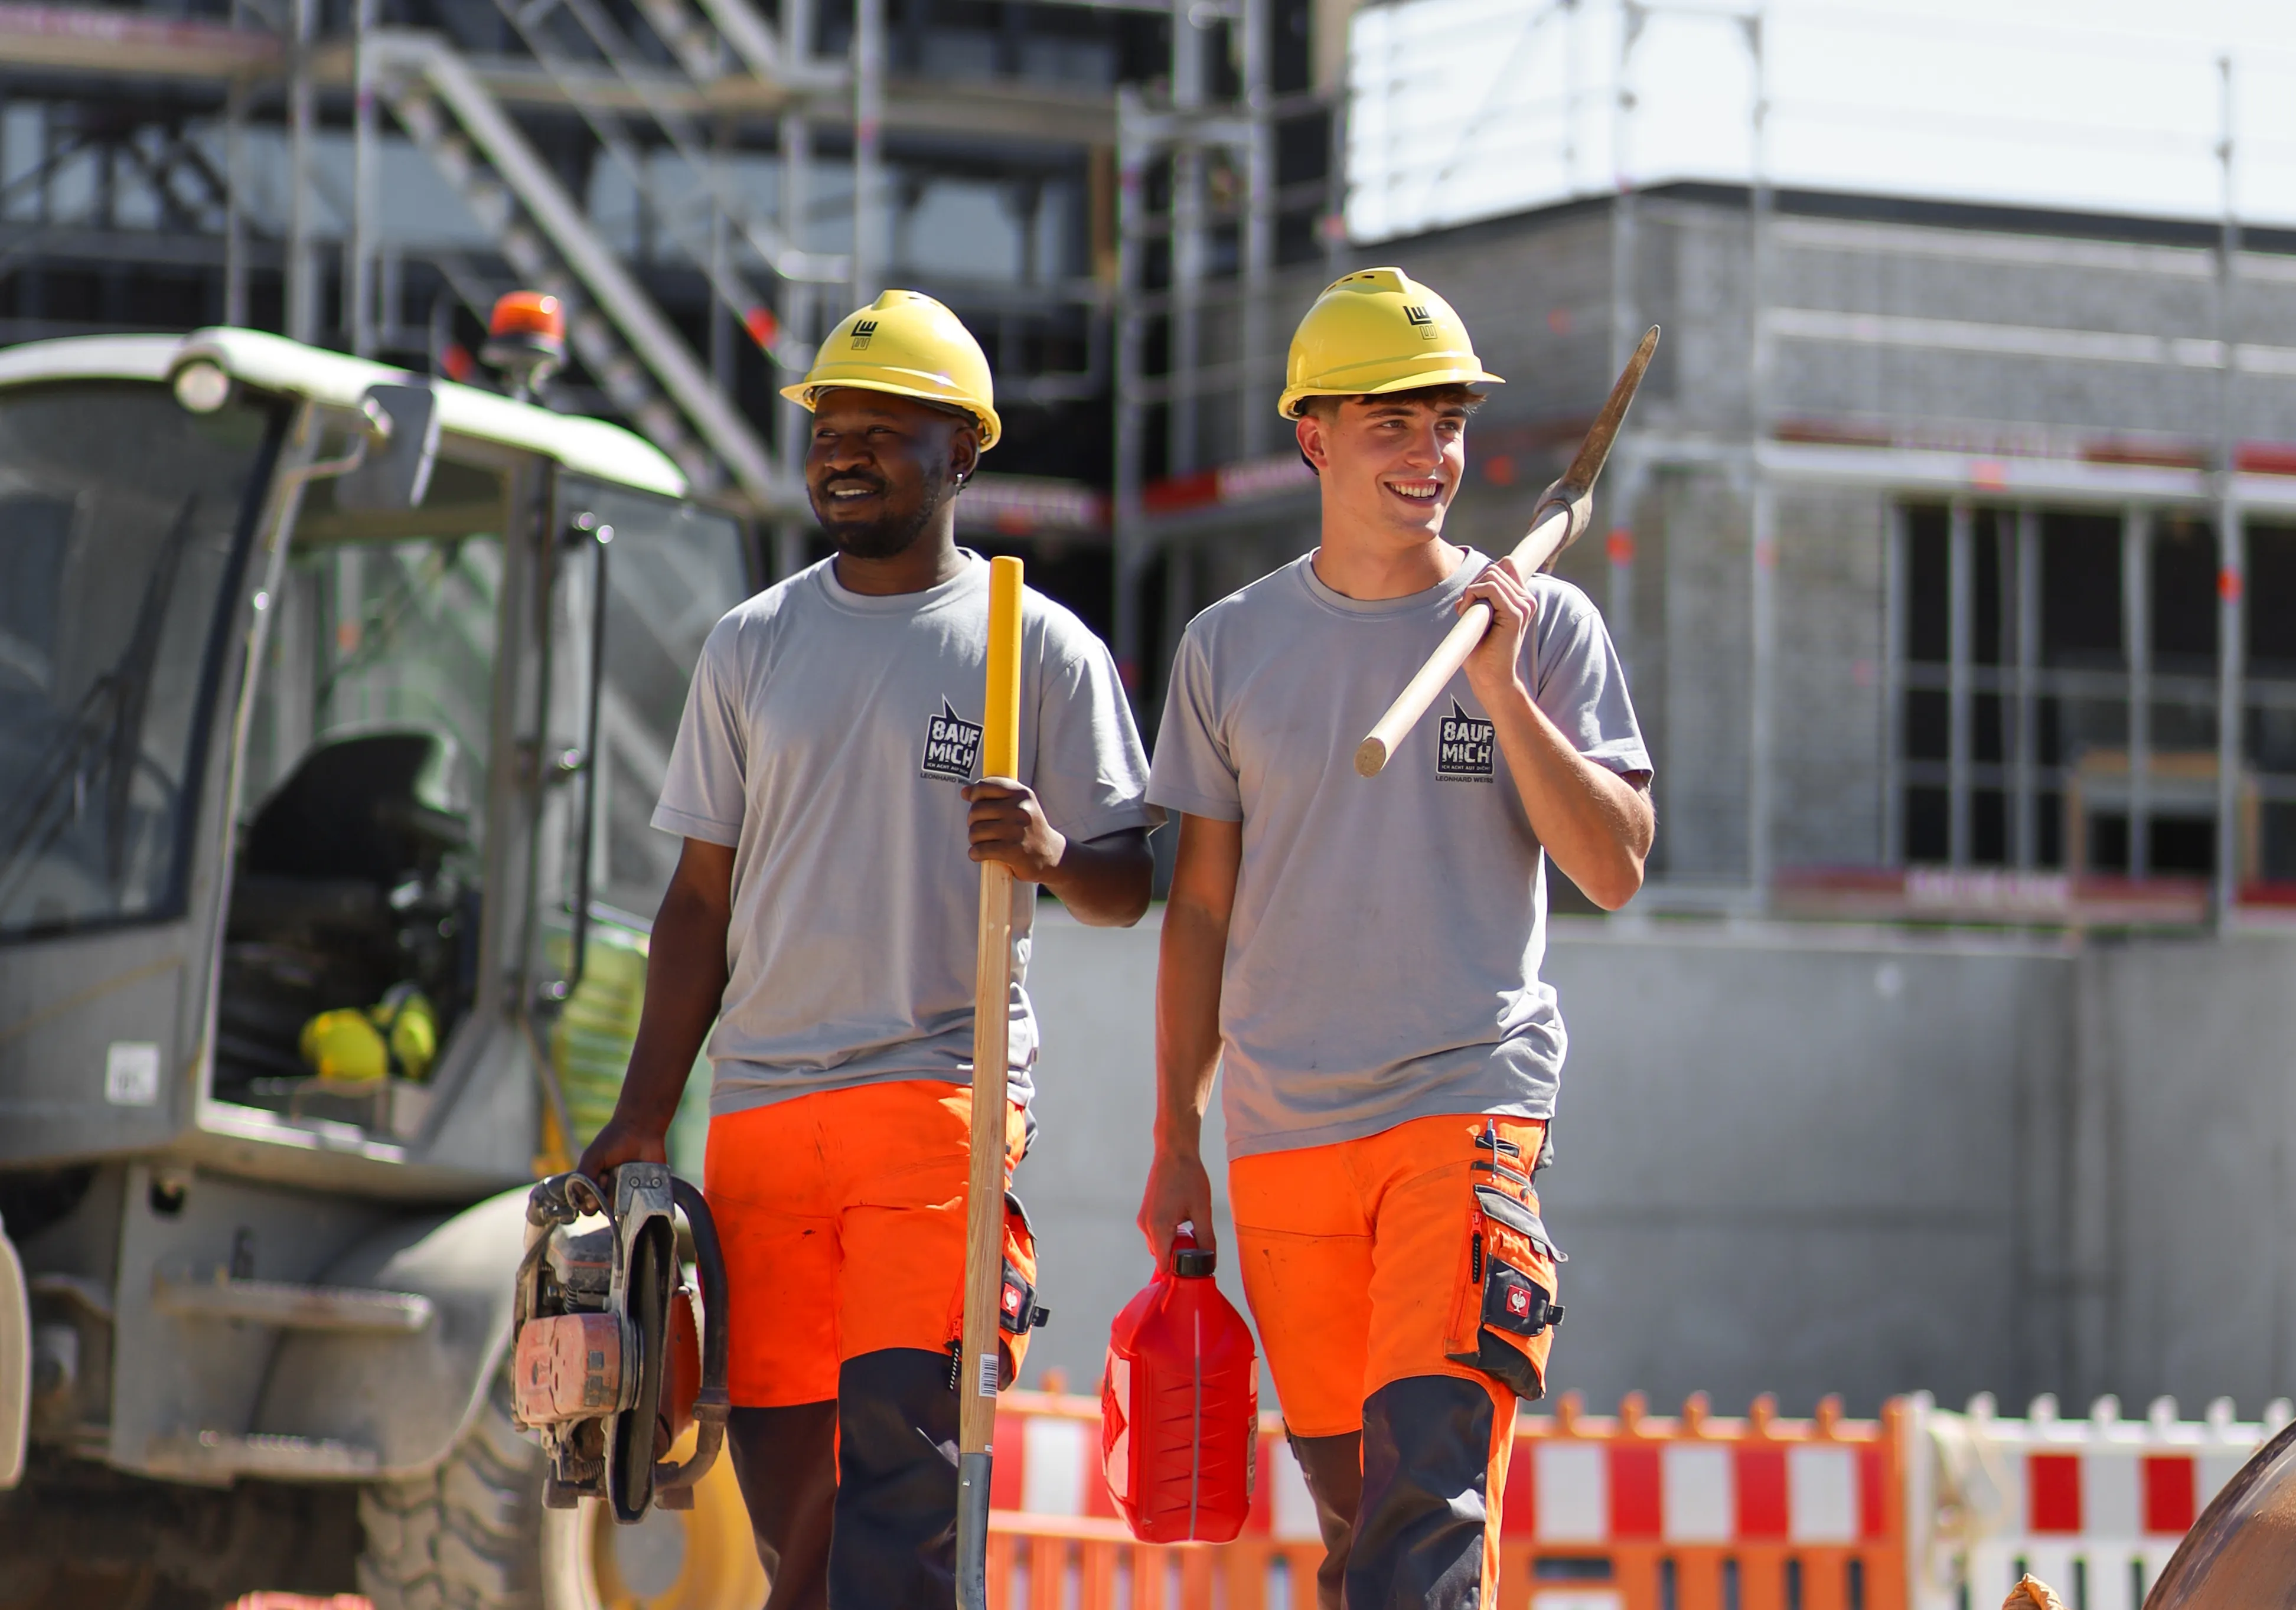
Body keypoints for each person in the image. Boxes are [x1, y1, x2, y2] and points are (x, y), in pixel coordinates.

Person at [576, 289, 1160, 1610]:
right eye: (828, 425)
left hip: (933, 1107)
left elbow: (1133, 883)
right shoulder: (752, 643)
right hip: (768, 1115)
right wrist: (643, 1110)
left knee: (898, 1485)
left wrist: (1055, 857)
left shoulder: (1036, 647)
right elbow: (696, 903)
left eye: (881, 428)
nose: (842, 449)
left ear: (962, 450)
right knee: (791, 1505)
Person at [1138, 267, 1656, 1609]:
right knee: (1361, 1527)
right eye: (1393, 424)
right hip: (1282, 1132)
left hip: (1462, 1107)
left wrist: (1500, 686)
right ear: (1311, 435)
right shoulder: (1228, 647)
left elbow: (1613, 864)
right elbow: (1197, 907)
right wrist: (1171, 1143)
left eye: (1447, 424)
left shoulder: (1538, 630)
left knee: (1424, 1505)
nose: (1431, 455)